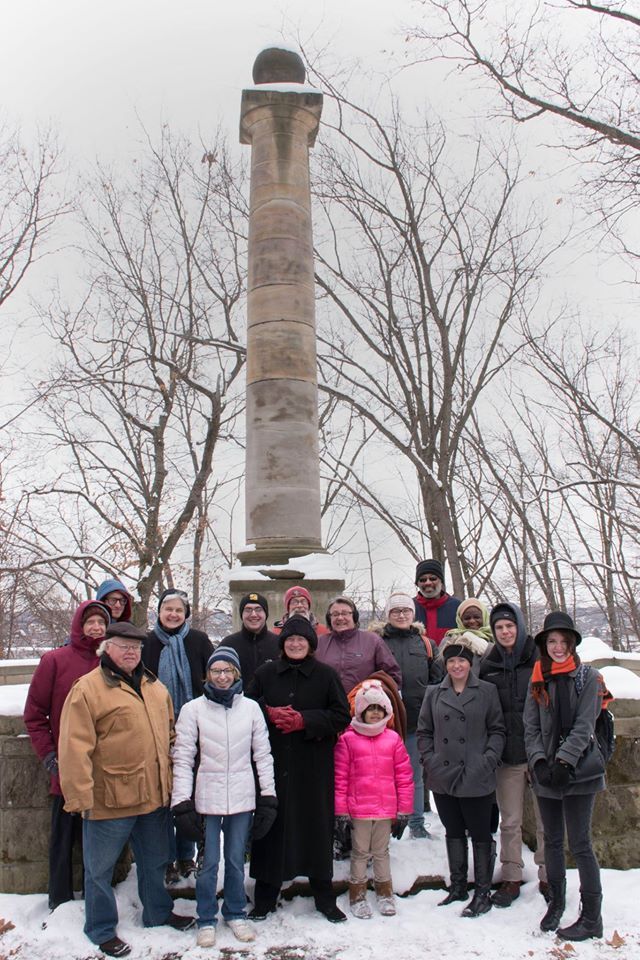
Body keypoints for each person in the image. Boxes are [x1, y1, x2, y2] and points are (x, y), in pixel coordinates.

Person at [58, 622, 194, 959]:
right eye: (123, 646)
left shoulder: (154, 686)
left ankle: (158, 912)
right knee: (99, 870)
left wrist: (175, 780)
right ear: (107, 649)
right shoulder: (88, 689)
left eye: (136, 647)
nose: (131, 652)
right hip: (109, 800)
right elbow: (74, 748)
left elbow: (170, 735)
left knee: (155, 861)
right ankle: (101, 928)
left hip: (153, 796)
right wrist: (79, 797)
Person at [171, 646, 277, 948]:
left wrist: (267, 795)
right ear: (208, 674)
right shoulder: (193, 710)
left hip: (242, 795)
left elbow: (263, 754)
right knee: (209, 861)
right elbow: (183, 757)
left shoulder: (251, 708)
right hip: (208, 795)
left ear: (236, 674)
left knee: (234, 858)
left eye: (227, 670)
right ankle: (206, 916)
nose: (221, 676)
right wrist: (182, 801)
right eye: (216, 671)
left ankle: (234, 911)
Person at [248, 616, 351, 923]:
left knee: (314, 827)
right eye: (290, 640)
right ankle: (265, 896)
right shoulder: (266, 673)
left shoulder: (326, 675)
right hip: (273, 762)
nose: (295, 644)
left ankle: (324, 895)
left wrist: (306, 721)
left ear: (310, 645)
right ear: (283, 644)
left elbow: (341, 715)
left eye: (301, 640)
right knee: (272, 828)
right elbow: (246, 705)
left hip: (313, 765)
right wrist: (268, 711)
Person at [525, 612, 609, 941]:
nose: (558, 647)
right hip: (546, 771)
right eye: (552, 642)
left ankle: (592, 917)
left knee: (581, 843)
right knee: (553, 842)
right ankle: (556, 904)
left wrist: (564, 761)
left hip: (579, 770)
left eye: (563, 641)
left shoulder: (588, 677)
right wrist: (541, 762)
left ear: (572, 643)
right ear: (545, 646)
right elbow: (530, 726)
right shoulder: (537, 677)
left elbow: (585, 725)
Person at [23, 599, 111, 911]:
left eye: (102, 622)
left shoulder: (114, 662)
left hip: (105, 770)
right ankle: (59, 902)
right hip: (67, 770)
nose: (97, 628)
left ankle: (96, 900)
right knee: (63, 840)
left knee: (99, 842)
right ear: (79, 624)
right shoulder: (55, 661)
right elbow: (34, 715)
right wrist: (49, 756)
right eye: (91, 622)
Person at [417, 635, 505, 918]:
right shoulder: (434, 693)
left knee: (480, 833)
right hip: (443, 774)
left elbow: (497, 730)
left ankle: (482, 892)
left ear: (471, 664)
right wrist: (431, 762)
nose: (457, 666)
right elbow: (424, 732)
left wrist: (487, 760)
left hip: (476, 773)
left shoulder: (487, 691)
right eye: (452, 660)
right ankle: (458, 886)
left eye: (462, 661)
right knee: (453, 830)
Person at [142, 588, 213, 883]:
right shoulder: (146, 643)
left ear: (186, 614)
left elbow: (213, 678)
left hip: (194, 728)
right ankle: (166, 859)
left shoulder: (198, 641)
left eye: (179, 610)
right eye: (167, 609)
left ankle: (187, 856)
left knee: (190, 796)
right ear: (158, 612)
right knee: (162, 798)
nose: (173, 614)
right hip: (156, 730)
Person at [479, 601, 547, 907]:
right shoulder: (488, 663)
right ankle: (510, 876)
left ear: (519, 626)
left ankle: (549, 875)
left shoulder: (539, 658)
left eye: (509, 626)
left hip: (540, 752)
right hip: (507, 755)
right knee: (510, 821)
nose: (505, 631)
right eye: (499, 627)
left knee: (547, 820)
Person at [334, 681, 414, 919]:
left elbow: (404, 777)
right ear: (361, 711)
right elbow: (340, 778)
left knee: (381, 852)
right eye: (371, 708)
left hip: (385, 809)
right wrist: (341, 811)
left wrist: (404, 810)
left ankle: (384, 891)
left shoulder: (393, 739)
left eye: (380, 708)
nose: (375, 713)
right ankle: (357, 893)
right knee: (360, 852)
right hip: (358, 809)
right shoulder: (348, 740)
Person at [370, 591, 444, 838]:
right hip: (383, 724)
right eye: (395, 611)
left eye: (405, 611)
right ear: (388, 615)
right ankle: (384, 822)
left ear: (413, 614)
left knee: (414, 775)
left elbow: (438, 680)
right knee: (380, 775)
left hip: (416, 721)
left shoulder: (425, 643)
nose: (401, 615)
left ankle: (416, 823)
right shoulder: (377, 642)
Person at [317, 596, 402, 693]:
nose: (340, 618)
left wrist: (376, 694)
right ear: (329, 619)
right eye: (335, 614)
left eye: (345, 613)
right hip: (328, 706)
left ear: (354, 616)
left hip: (364, 705)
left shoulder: (372, 641)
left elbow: (392, 674)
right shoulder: (319, 643)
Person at [222, 593, 280, 689]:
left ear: (266, 614)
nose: (253, 614)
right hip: (236, 702)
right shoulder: (228, 645)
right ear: (241, 614)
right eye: (248, 610)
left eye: (258, 609)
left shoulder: (279, 644)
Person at [412, 559, 461, 646]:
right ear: (417, 584)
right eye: (423, 580)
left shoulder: (457, 607)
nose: (428, 583)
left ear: (441, 581)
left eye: (433, 578)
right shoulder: (409, 608)